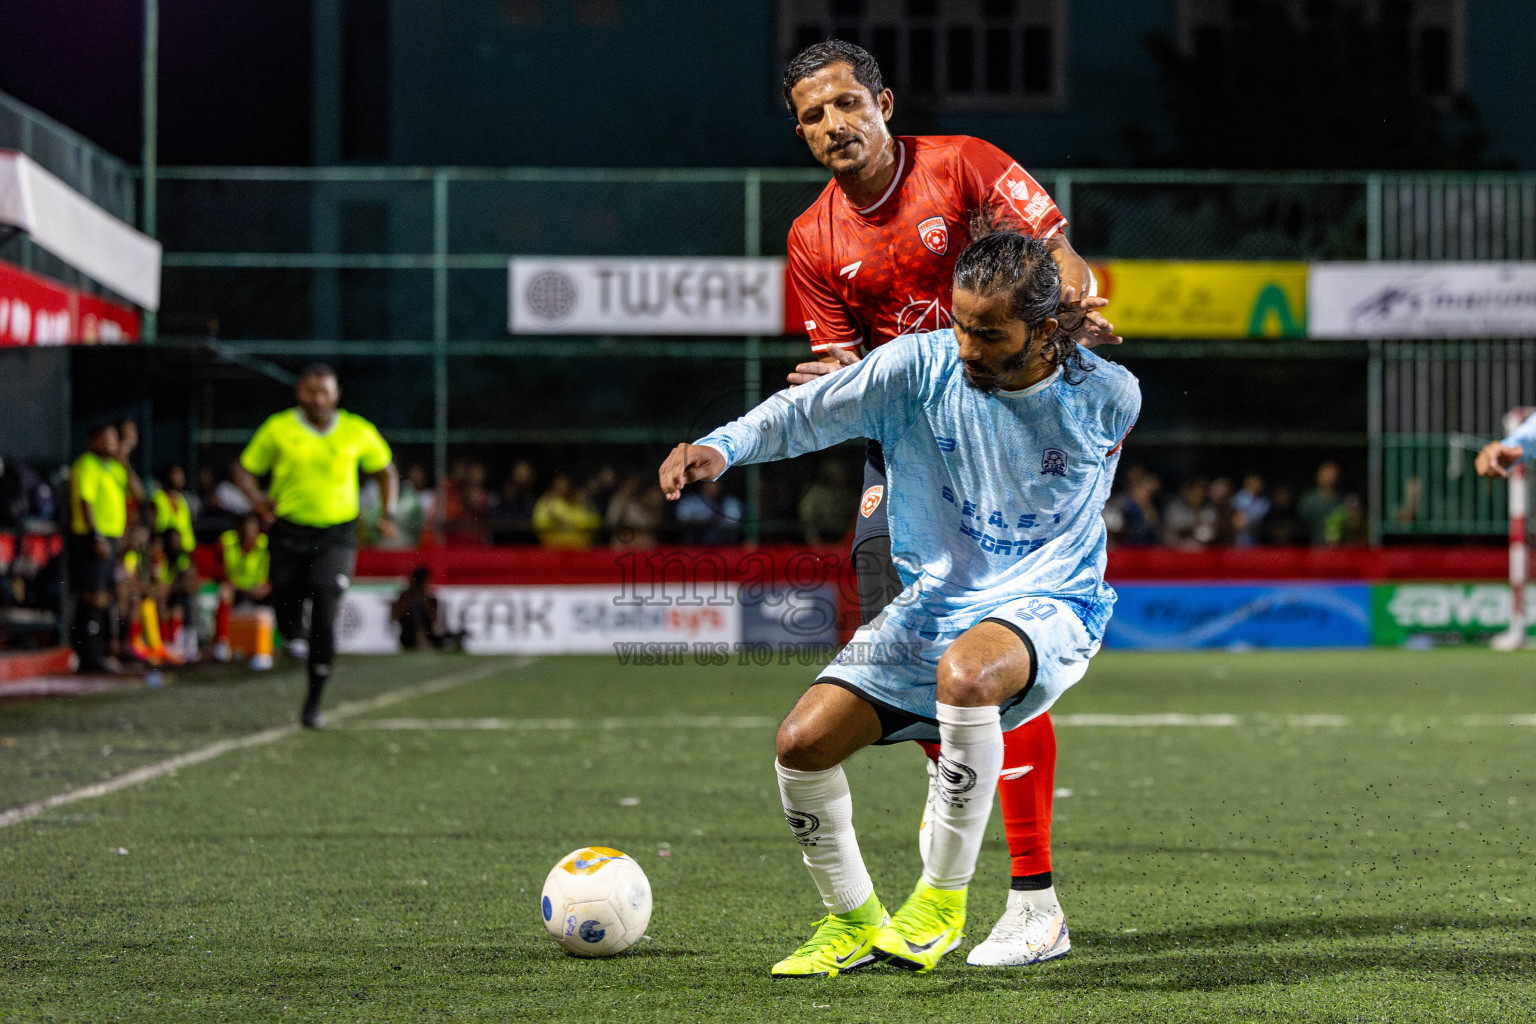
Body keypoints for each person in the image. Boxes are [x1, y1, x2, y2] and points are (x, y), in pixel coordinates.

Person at [660, 232, 1139, 977]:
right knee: (800, 744)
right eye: (959, 324)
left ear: (1044, 331)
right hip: (939, 599)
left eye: (989, 333)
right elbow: (806, 412)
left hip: (1052, 600)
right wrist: (721, 447)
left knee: (969, 676)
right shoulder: (920, 365)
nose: (968, 347)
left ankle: (940, 903)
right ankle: (851, 919)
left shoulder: (1107, 396)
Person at [775, 39, 1120, 966]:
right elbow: (848, 374)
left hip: (1012, 447)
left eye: (846, 104)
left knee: (1005, 652)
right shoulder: (814, 242)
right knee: (932, 669)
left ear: (883, 102)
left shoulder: (961, 165)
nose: (833, 127)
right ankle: (945, 862)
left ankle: (1036, 901)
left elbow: (1060, 259)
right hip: (912, 467)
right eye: (812, 116)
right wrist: (835, 383)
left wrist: (1071, 311)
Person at [232, 364, 398, 728]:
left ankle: (314, 702)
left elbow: (386, 471)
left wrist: (389, 512)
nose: (318, 398)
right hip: (288, 533)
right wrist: (258, 501)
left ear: (336, 394)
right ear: (299, 393)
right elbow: (243, 469)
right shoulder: (279, 428)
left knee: (326, 605)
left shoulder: (357, 430)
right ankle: (293, 632)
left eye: (325, 391)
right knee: (286, 607)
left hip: (337, 535)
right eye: (311, 391)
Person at [68, 422, 131, 672]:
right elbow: (86, 500)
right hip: (92, 538)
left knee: (106, 596)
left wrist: (124, 457)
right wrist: (97, 536)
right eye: (108, 438)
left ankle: (99, 652)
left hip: (112, 539)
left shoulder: (114, 467)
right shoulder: (87, 464)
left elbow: (136, 492)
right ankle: (88, 655)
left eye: (115, 438)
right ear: (94, 440)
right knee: (92, 595)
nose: (113, 442)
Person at [212, 513, 272, 662]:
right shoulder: (226, 542)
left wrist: (266, 586)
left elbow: (273, 572)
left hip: (258, 590)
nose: (249, 533)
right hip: (236, 589)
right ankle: (222, 642)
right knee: (224, 592)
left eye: (253, 529)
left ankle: (282, 639)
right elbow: (217, 571)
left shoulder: (265, 544)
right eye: (246, 529)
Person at [532, 472, 601, 550]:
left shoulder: (582, 502)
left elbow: (594, 525)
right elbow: (540, 525)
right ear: (554, 485)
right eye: (560, 483)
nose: (563, 487)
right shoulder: (546, 501)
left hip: (579, 551)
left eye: (566, 483)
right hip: (553, 551)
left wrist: (585, 507)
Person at [1297, 460, 1342, 545]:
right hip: (1312, 548)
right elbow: (1301, 527)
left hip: (1338, 550)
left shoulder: (1342, 501)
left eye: (1333, 474)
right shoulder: (1308, 500)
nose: (1330, 478)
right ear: (1318, 476)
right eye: (1326, 474)